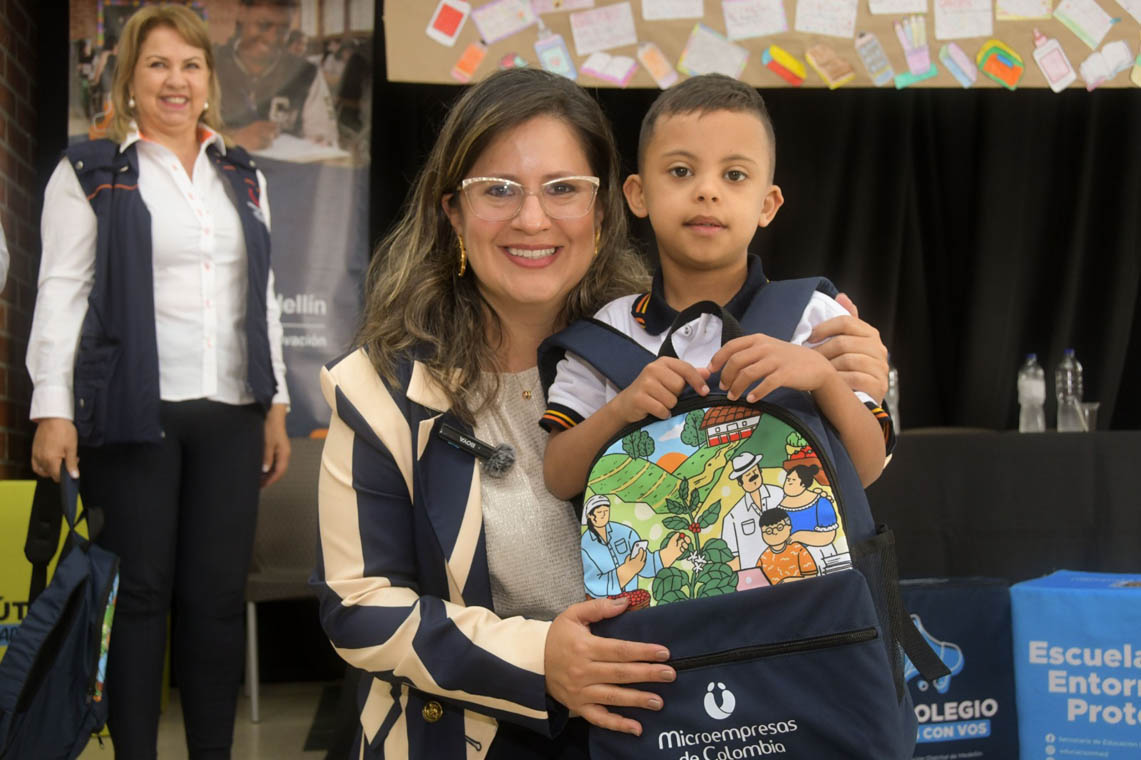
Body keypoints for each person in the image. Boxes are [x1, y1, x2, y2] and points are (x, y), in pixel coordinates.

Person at [314, 68, 892, 758]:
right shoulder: (379, 388)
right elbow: (358, 606)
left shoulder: (672, 338)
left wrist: (855, 380)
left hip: (687, 726)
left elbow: (848, 465)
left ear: (604, 208)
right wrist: (540, 659)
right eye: (497, 190)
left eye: (562, 189)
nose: (532, 218)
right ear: (453, 211)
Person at [26, 6, 290, 757]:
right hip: (132, 412)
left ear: (209, 79)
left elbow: (264, 295)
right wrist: (53, 409)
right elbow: (61, 294)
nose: (176, 80)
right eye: (158, 64)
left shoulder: (242, 174)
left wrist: (275, 404)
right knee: (136, 600)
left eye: (190, 65)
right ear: (131, 80)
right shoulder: (92, 169)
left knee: (214, 600)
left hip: (233, 413)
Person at [542, 74, 890, 503]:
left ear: (768, 205)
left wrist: (821, 377)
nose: (707, 191)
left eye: (735, 175)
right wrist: (621, 409)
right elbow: (558, 477)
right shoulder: (608, 330)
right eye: (681, 171)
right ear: (638, 194)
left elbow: (869, 469)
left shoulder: (815, 319)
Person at [214, 0, 338, 150]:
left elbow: (325, 140)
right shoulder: (211, 64)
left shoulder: (307, 74)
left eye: (283, 30)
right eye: (263, 25)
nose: (272, 38)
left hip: (286, 170)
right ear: (242, 13)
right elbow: (184, 133)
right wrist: (232, 138)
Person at [581, 493, 689, 600]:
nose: (604, 515)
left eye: (606, 511)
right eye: (599, 512)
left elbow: (646, 566)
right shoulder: (585, 544)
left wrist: (669, 553)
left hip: (634, 602)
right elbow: (594, 585)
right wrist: (628, 570)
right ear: (590, 515)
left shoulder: (625, 532)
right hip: (606, 606)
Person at [722, 451, 786, 570]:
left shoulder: (780, 495)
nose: (754, 477)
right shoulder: (732, 517)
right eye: (748, 475)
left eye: (755, 472)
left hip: (788, 565)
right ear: (740, 483)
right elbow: (732, 558)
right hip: (756, 576)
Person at [757, 507, 818, 585]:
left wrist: (788, 581)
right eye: (769, 531)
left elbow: (812, 576)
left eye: (780, 527)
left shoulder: (798, 549)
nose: (775, 532)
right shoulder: (763, 558)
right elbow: (759, 584)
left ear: (789, 527)